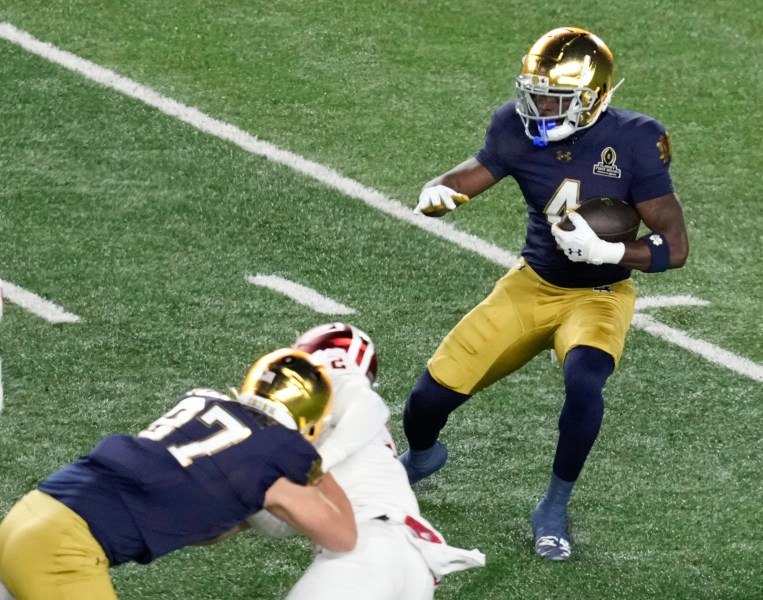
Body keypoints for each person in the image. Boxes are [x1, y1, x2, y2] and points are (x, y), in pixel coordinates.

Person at [399, 26, 689, 561]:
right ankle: (420, 460)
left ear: (592, 98)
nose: (537, 109)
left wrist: (612, 255)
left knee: (584, 383)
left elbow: (676, 246)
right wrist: (441, 191)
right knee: (426, 400)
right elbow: (474, 172)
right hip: (532, 285)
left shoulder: (636, 140)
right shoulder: (514, 126)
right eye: (534, 95)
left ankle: (552, 508)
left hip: (600, 293)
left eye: (553, 99)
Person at [0, 348, 357, 599]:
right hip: (61, 551)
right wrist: (321, 461)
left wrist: (244, 515)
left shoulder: (202, 405)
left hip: (27, 516)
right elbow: (342, 536)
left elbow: (195, 522)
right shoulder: (276, 453)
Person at [256, 322, 483, 599]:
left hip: (367, 550)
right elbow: (282, 523)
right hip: (411, 563)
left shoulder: (330, 383)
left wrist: (317, 462)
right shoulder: (348, 429)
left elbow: (367, 403)